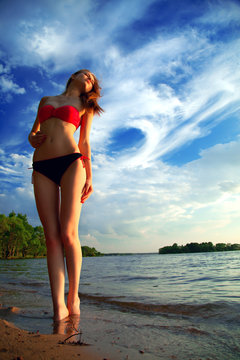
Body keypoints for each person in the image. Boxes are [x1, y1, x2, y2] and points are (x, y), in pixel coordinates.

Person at [28, 70, 103, 321]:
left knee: (68, 233)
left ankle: (74, 296)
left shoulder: (85, 105)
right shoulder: (45, 100)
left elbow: (84, 141)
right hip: (41, 167)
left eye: (93, 79)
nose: (90, 78)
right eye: (87, 74)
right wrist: (32, 137)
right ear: (74, 76)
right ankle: (58, 305)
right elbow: (33, 133)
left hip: (72, 163)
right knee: (51, 239)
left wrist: (90, 176)